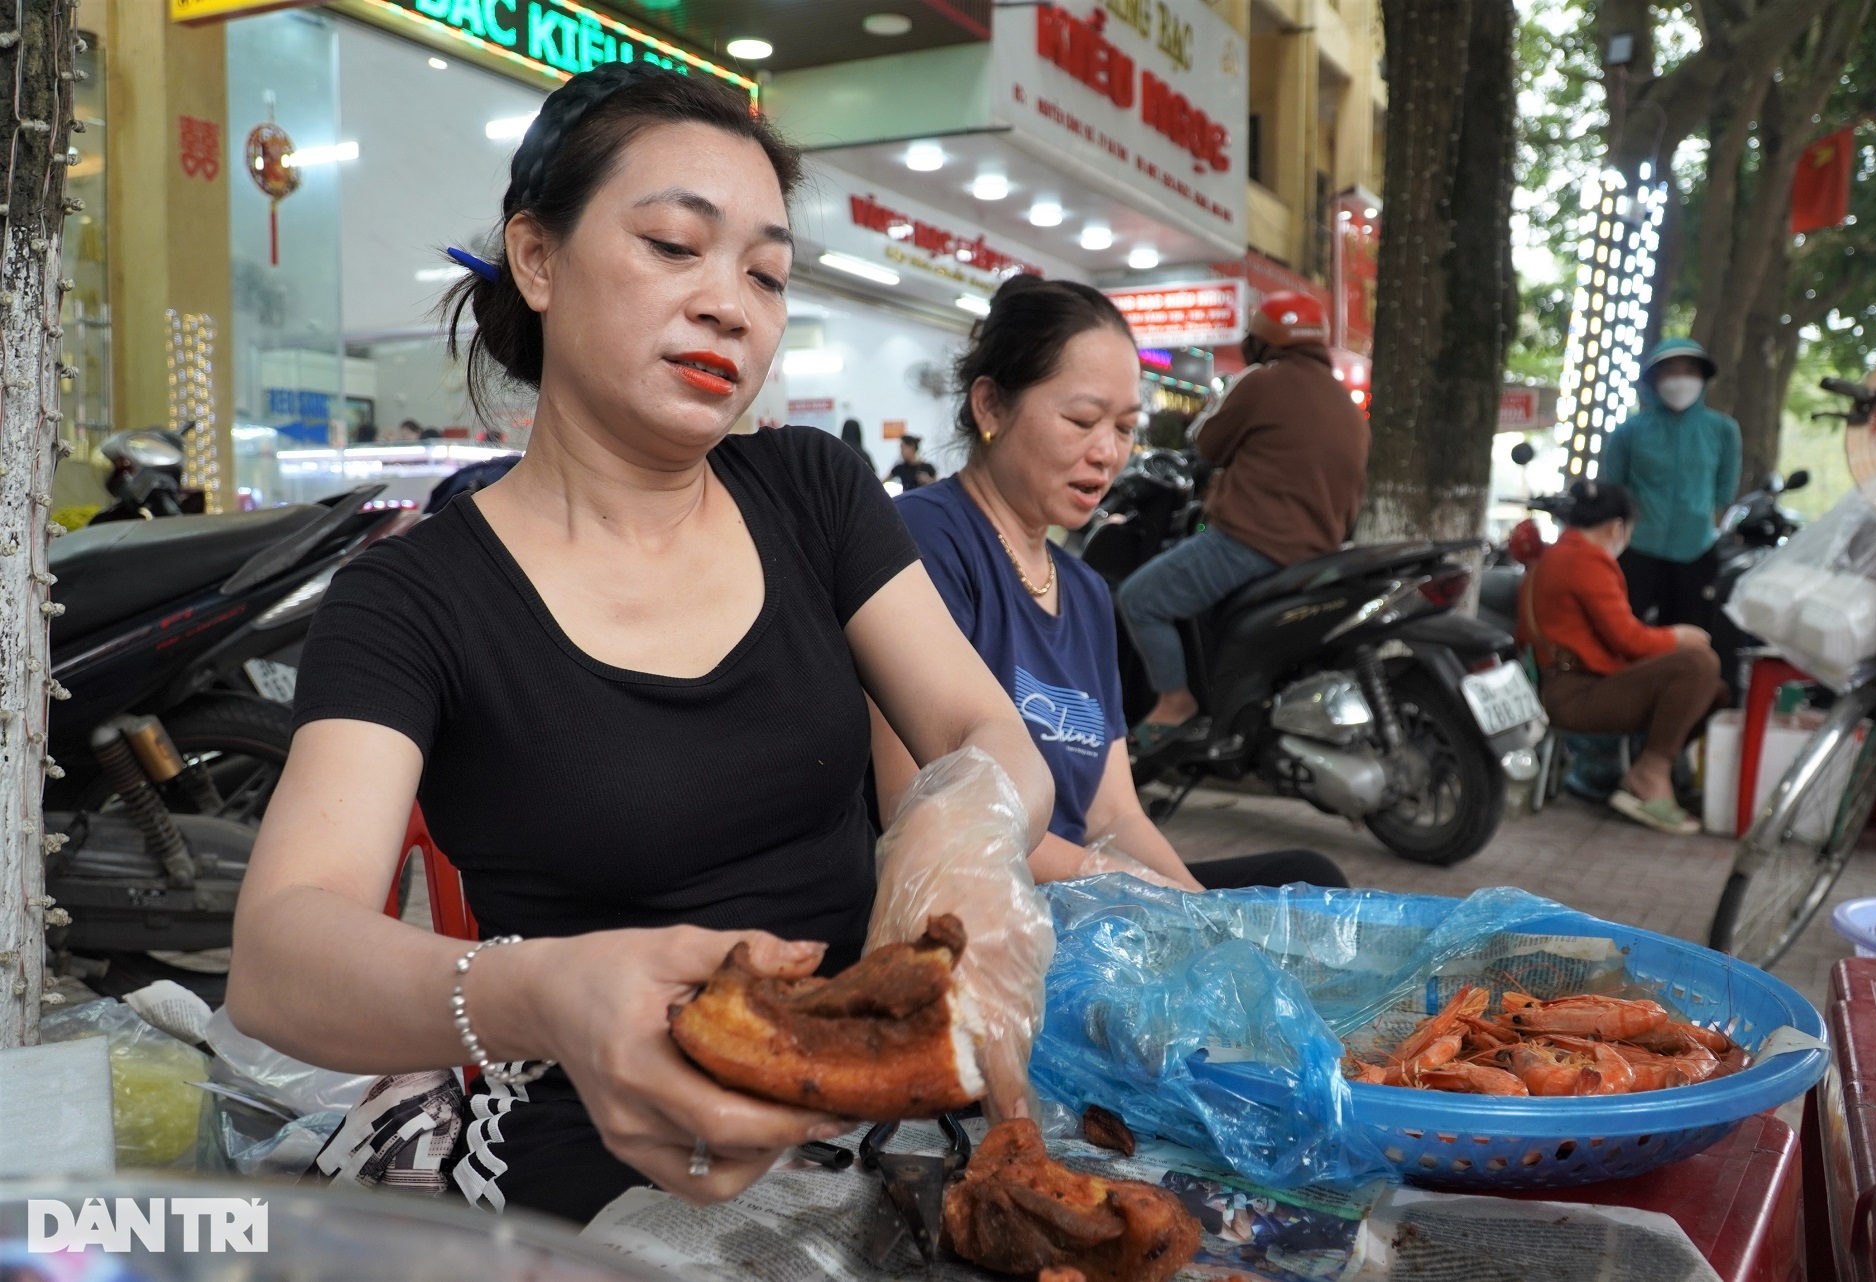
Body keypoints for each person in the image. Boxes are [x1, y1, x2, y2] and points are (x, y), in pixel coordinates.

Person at [224, 63, 1054, 1227]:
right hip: (593, 1160)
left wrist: (962, 840)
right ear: (539, 259)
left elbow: (982, 732)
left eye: (767, 274)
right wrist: (545, 993)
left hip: (862, 1121)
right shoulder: (410, 600)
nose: (733, 304)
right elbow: (279, 953)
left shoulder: (813, 494)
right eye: (675, 244)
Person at [872, 274, 1347, 894]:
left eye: (1124, 428)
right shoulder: (920, 542)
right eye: (1082, 419)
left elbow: (1113, 813)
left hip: (1084, 898)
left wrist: (1206, 917)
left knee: (1308, 880)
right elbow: (916, 809)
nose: (1107, 453)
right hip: (984, 907)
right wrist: (1115, 881)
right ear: (990, 406)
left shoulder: (1087, 590)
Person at [1117, 290, 1370, 752]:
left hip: (1249, 544)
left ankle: (1174, 703)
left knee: (1141, 598)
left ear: (1264, 341)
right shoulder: (1348, 406)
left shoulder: (1263, 382)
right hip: (1316, 558)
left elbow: (1207, 444)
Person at [1518, 479, 1726, 836]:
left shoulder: (1559, 554)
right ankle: (1650, 773)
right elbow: (1629, 640)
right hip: (1574, 694)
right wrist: (1681, 637)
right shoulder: (1585, 560)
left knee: (1714, 690)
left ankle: (1645, 771)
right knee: (1699, 664)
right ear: (1617, 527)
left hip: (1569, 685)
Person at [1599, 336, 1742, 629]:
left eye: (1689, 370)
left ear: (1703, 378)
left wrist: (1696, 517)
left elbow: (1725, 489)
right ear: (1653, 379)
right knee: (1621, 633)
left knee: (1689, 642)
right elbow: (1612, 488)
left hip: (1696, 551)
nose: (1680, 379)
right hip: (1637, 550)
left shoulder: (1723, 430)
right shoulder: (1629, 432)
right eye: (1670, 371)